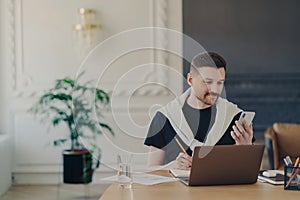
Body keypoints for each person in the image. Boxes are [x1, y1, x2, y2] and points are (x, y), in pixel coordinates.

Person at [144, 52, 254, 170]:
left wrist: (246, 149)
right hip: (176, 188)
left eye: (220, 83)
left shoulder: (234, 117)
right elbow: (151, 170)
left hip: (221, 188)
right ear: (190, 79)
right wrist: (172, 166)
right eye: (208, 82)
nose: (215, 90)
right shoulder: (165, 117)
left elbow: (247, 171)